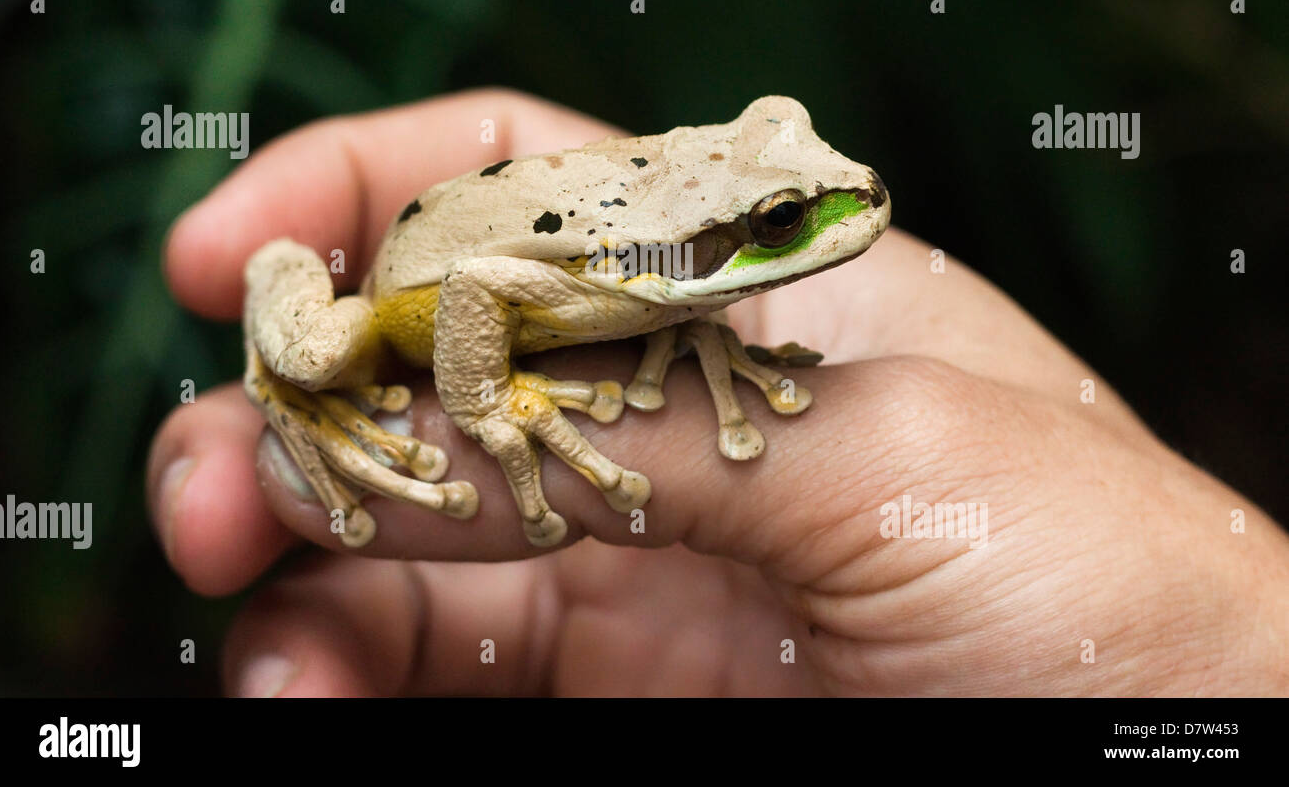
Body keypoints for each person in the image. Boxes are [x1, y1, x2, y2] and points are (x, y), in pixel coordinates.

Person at [146, 89, 1289, 696]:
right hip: (413, 290)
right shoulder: (629, 273)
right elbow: (482, 282)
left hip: (631, 261)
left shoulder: (672, 270)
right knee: (313, 353)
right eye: (786, 220)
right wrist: (488, 405)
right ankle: (289, 378)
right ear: (702, 254)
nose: (857, 201)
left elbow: (670, 264)